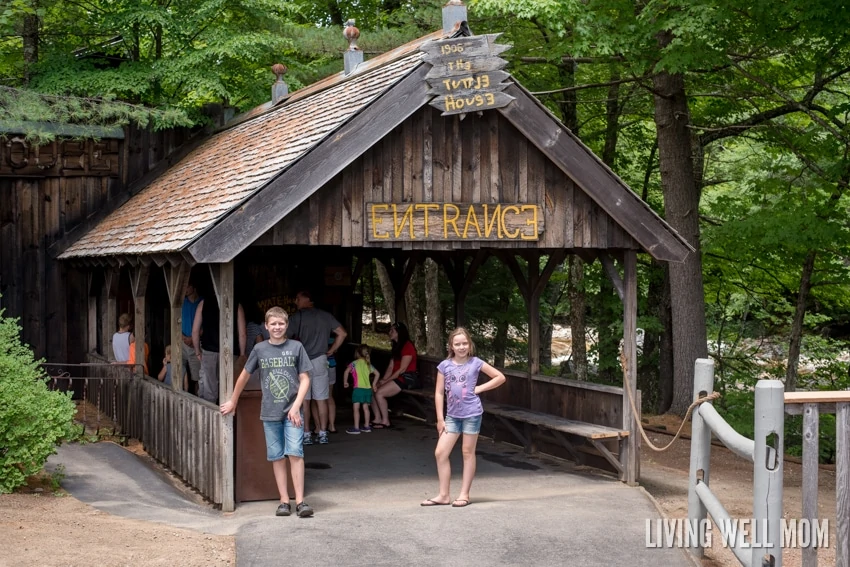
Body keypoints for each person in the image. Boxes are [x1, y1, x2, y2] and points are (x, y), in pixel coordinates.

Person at [220, 307, 315, 518]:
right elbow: (244, 375)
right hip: (270, 412)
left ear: (286, 325)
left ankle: (300, 501)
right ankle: (283, 500)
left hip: (293, 411)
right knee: (277, 456)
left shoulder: (296, 347)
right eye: (273, 324)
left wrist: (297, 406)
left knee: (295, 453)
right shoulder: (260, 349)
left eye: (281, 323)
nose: (277, 327)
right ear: (266, 326)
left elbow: (305, 378)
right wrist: (233, 401)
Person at [420, 327, 506, 508]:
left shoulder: (475, 362)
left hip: (472, 414)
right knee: (440, 453)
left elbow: (500, 377)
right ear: (451, 345)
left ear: (470, 344)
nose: (461, 347)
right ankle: (444, 495)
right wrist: (440, 418)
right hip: (451, 416)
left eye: (464, 343)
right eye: (457, 344)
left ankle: (464, 494)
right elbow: (438, 393)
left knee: (467, 452)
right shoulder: (444, 366)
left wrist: (479, 389)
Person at [287, 290, 347, 445]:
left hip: (303, 361)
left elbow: (285, 337)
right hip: (321, 359)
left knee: (305, 401)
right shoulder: (326, 316)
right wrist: (332, 350)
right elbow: (342, 333)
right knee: (321, 399)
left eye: (298, 298)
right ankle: (323, 433)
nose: (296, 301)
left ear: (308, 298)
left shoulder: (297, 318)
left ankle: (306, 433)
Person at [192, 295, 247, 404]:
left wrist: (197, 351)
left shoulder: (203, 304)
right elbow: (242, 333)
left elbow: (195, 331)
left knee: (209, 390)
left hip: (209, 351)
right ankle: (229, 418)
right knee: (229, 389)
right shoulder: (237, 305)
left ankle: (208, 419)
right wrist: (242, 354)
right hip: (231, 352)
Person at [370, 322, 418, 429]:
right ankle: (377, 418)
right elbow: (391, 367)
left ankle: (385, 421)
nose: (389, 332)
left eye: (392, 331)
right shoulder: (396, 346)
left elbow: (402, 369)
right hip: (396, 377)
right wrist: (383, 380)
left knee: (379, 393)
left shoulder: (407, 346)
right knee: (372, 390)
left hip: (406, 378)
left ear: (399, 333)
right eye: (390, 330)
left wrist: (386, 381)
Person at [342, 345, 379, 434]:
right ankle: (366, 426)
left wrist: (345, 382)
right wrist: (374, 384)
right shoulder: (368, 364)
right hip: (368, 389)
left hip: (358, 389)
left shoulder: (354, 363)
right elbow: (377, 374)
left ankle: (356, 428)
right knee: (366, 408)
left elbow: (346, 371)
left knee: (356, 408)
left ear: (357, 353)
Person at [180, 281, 203, 394]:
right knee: (180, 373)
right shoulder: (181, 303)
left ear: (194, 287)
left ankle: (197, 399)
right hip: (182, 342)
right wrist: (183, 337)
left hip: (197, 344)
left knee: (197, 377)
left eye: (188, 286)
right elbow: (176, 321)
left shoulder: (202, 303)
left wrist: (194, 338)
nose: (185, 289)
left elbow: (207, 325)